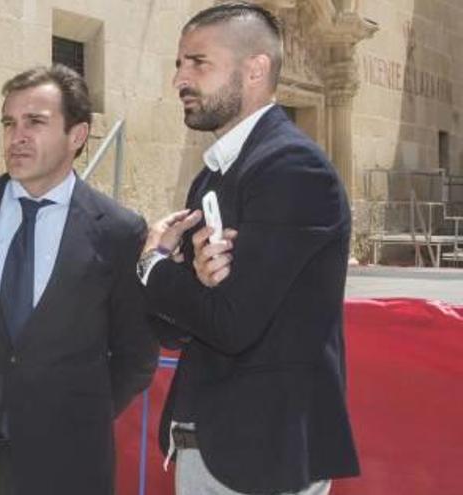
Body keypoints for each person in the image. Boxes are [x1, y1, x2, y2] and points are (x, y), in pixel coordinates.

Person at [135, 3, 359, 494]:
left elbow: (231, 323)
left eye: (198, 63)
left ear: (255, 69)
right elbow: (173, 329)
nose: (180, 79)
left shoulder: (293, 170)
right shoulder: (214, 174)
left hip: (260, 458)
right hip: (211, 446)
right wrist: (185, 282)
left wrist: (155, 266)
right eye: (179, 64)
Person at [0, 64, 158, 495]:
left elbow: (136, 356)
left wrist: (76, 416)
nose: (16, 136)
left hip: (70, 467)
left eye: (35, 122)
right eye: (8, 123)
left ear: (77, 136)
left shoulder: (119, 231)